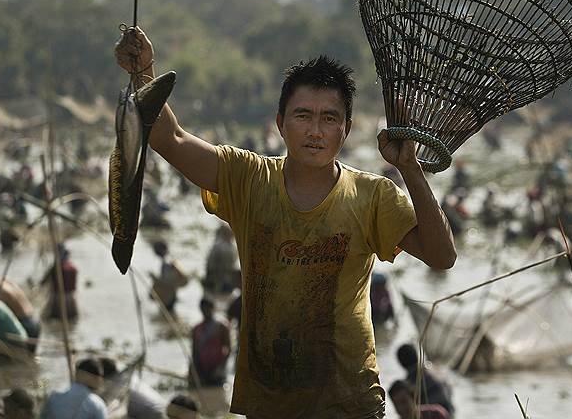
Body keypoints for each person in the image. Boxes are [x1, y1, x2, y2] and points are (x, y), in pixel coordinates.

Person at [115, 29, 456, 418]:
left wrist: (409, 166)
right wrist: (144, 71)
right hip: (268, 406)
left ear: (346, 128)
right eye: (303, 116)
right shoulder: (248, 178)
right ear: (280, 123)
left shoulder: (372, 195)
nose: (315, 131)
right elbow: (170, 139)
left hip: (351, 404)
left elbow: (442, 255)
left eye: (329, 119)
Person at [0, 260, 41, 353]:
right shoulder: (5, 281)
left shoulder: (0, 293)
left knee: (23, 359)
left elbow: (0, 317)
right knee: (30, 358)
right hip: (34, 319)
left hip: (26, 324)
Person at [395, 344, 454, 416]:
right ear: (417, 356)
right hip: (450, 413)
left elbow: (410, 410)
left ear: (401, 363)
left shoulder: (409, 384)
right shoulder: (435, 370)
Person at [39, 358, 108, 419]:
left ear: (77, 374)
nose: (101, 381)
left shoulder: (54, 397)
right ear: (94, 378)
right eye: (100, 377)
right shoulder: (97, 405)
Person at [99, 357, 166, 419]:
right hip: (163, 407)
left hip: (151, 414)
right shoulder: (129, 377)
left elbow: (103, 405)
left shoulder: (114, 385)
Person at [189, 297, 231, 387]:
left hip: (216, 371)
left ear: (213, 308)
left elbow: (228, 348)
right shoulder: (197, 328)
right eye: (203, 309)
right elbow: (194, 352)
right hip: (202, 370)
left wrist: (221, 367)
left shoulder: (221, 327)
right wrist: (192, 371)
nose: (205, 311)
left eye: (207, 309)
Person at [41, 245, 78, 320]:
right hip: (72, 298)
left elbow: (44, 282)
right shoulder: (73, 268)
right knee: (72, 319)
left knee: (51, 319)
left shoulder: (56, 268)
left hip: (58, 298)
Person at [150, 241, 188, 313]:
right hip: (171, 294)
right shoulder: (170, 259)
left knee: (166, 314)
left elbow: (167, 280)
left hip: (168, 296)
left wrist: (155, 279)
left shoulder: (167, 262)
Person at [203, 224, 240, 294]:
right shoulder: (233, 248)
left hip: (214, 284)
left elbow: (210, 266)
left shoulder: (217, 247)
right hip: (227, 285)